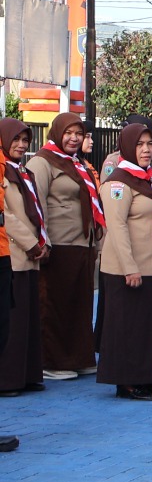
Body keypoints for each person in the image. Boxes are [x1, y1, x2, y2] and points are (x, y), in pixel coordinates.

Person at [28, 113, 102, 380]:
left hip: (83, 243)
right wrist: (42, 241)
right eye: (69, 133)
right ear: (57, 132)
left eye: (78, 133)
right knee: (56, 304)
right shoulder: (43, 162)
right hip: (58, 244)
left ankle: (78, 357)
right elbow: (36, 204)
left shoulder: (77, 164)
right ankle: (53, 362)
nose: (74, 138)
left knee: (80, 305)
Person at [97, 122, 152, 400]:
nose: (146, 150)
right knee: (127, 327)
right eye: (140, 145)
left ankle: (145, 377)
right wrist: (129, 267)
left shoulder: (151, 179)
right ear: (126, 147)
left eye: (150, 144)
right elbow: (117, 226)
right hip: (127, 268)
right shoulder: (118, 182)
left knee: (147, 326)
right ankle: (126, 382)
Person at [0, 120, 45, 406]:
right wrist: (31, 243)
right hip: (13, 253)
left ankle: (27, 374)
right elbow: (7, 215)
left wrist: (44, 240)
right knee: (11, 324)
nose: (21, 145)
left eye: (25, 140)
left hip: (29, 253)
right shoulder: (4, 172)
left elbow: (37, 210)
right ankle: (7, 380)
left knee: (28, 319)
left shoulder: (23, 172)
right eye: (15, 139)